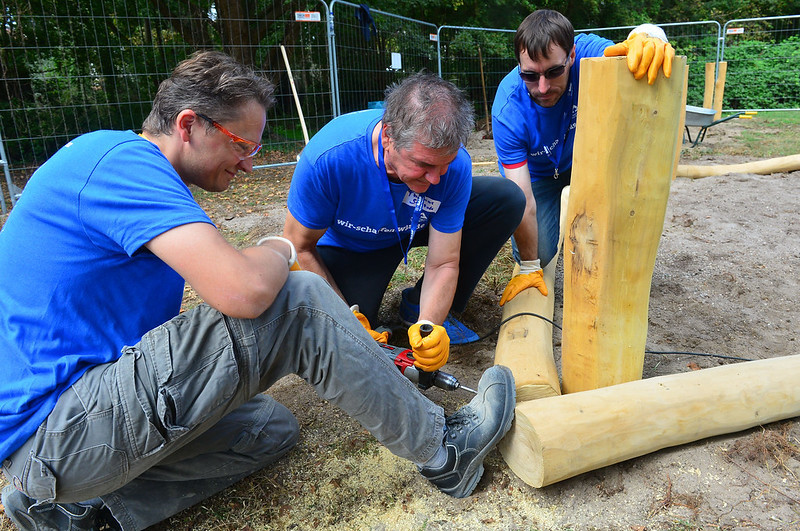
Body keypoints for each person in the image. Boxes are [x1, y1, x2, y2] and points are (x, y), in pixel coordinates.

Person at [0, 51, 517, 531]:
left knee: (267, 430)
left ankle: (76, 509)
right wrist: (279, 246)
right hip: (59, 430)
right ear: (188, 126)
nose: (249, 164)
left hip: (69, 436)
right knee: (296, 300)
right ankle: (445, 451)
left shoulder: (137, 177)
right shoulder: (118, 161)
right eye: (242, 144)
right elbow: (244, 292)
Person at [282, 72, 525, 363]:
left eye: (443, 165)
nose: (435, 179)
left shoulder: (454, 164)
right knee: (352, 336)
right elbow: (299, 246)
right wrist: (345, 317)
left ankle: (415, 308)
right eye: (423, 164)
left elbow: (444, 261)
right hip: (354, 245)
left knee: (503, 198)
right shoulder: (330, 157)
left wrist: (429, 324)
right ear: (388, 137)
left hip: (416, 223)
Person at [492, 9, 675, 305]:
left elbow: (634, 45)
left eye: (554, 72)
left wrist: (651, 36)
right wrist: (529, 268)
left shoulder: (588, 53)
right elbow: (522, 200)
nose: (542, 87)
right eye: (530, 75)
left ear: (572, 55)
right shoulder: (507, 111)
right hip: (539, 176)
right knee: (540, 253)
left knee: (611, 227)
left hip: (585, 163)